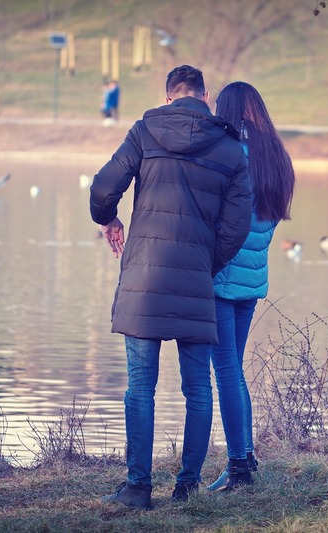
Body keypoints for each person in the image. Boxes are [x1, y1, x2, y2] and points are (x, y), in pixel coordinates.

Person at [90, 65, 253, 509]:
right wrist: (204, 262)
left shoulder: (145, 130)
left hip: (144, 277)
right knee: (197, 388)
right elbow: (237, 227)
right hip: (195, 282)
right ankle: (186, 488)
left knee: (140, 386)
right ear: (205, 96)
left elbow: (105, 186)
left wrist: (107, 218)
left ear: (169, 98)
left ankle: (138, 489)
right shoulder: (230, 148)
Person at [206, 81, 296, 491]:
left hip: (223, 277)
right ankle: (246, 458)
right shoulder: (276, 157)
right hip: (253, 278)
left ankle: (240, 465)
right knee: (233, 369)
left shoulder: (231, 155)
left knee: (227, 371)